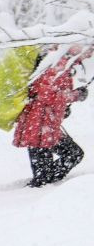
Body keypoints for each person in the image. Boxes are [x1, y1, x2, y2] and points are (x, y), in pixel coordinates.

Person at [14, 47, 89, 187]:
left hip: (43, 124)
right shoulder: (58, 62)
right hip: (39, 125)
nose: (91, 54)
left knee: (71, 155)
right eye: (90, 49)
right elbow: (45, 93)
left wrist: (62, 109)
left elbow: (48, 93)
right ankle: (38, 196)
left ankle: (46, 187)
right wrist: (75, 96)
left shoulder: (62, 61)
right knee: (47, 174)